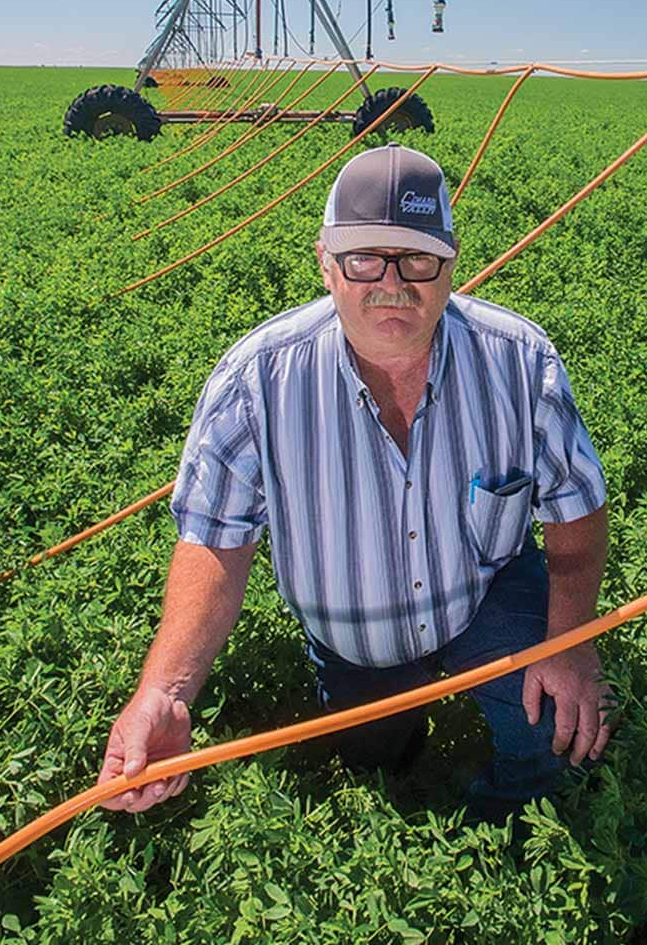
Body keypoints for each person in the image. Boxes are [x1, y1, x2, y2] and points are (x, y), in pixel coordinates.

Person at [99, 143, 613, 821]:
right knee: (373, 760)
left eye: (417, 259)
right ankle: (394, 757)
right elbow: (215, 546)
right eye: (364, 258)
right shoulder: (256, 383)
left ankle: (512, 827)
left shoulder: (520, 363)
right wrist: (163, 697)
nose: (392, 282)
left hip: (484, 595)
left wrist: (570, 639)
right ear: (326, 263)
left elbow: (576, 511)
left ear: (451, 262)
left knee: (557, 727)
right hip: (355, 642)